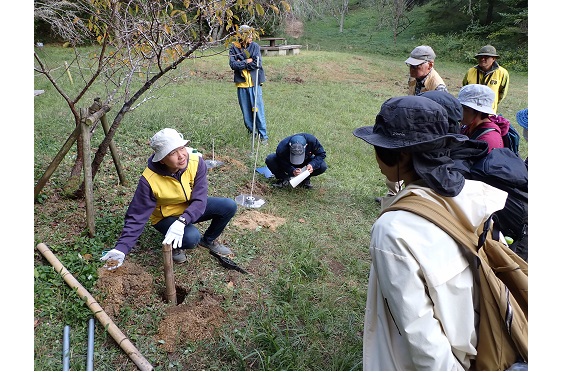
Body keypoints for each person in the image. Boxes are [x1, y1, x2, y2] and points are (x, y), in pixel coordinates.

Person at [353, 95, 509, 370]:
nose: (376, 154)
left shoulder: (393, 230)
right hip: (480, 344)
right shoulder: (471, 194)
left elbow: (422, 336)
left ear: (401, 155)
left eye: (379, 146)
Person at [100, 128, 238, 270]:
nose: (181, 156)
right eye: (172, 153)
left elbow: (200, 199)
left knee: (228, 206)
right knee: (192, 238)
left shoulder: (196, 162)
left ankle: (208, 240)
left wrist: (183, 221)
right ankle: (175, 246)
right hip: (165, 216)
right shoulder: (149, 180)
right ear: (161, 160)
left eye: (182, 148)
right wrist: (121, 248)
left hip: (188, 209)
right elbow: (136, 216)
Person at [378, 46, 449, 204]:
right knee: (396, 156)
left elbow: (440, 115)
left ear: (430, 65)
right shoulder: (414, 78)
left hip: (424, 132)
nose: (412, 70)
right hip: (410, 125)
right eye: (410, 66)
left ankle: (413, 200)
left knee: (415, 166)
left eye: (416, 67)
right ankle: (392, 196)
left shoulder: (438, 88)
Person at [229, 24, 269, 144]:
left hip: (254, 83)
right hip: (242, 84)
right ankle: (253, 134)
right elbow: (232, 65)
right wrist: (247, 61)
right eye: (248, 35)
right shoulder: (234, 47)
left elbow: (257, 64)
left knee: (258, 110)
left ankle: (263, 137)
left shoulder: (255, 46)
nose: (251, 37)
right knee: (246, 112)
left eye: (252, 34)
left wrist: (241, 62)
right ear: (241, 35)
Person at [458, 84, 510, 153]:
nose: (460, 112)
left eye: (465, 109)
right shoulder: (469, 126)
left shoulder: (489, 140)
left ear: (479, 111)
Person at [462, 45, 510, 114]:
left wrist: (493, 104)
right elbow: (465, 89)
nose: (482, 59)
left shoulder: (502, 73)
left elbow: (502, 93)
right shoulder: (470, 71)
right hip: (470, 112)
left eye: (486, 57)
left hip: (489, 113)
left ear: (494, 59)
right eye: (480, 57)